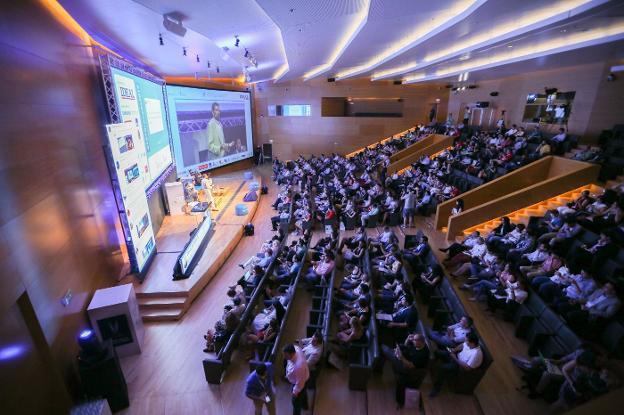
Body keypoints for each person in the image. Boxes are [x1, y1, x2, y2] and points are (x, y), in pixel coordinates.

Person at [382, 333, 430, 409]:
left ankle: (400, 402)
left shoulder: (423, 354)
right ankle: (391, 352)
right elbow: (407, 348)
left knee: (390, 354)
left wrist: (401, 358)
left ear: (421, 342)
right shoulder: (416, 345)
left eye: (414, 340)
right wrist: (407, 340)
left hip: (414, 371)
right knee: (395, 352)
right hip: (407, 362)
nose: (413, 341)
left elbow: (411, 365)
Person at [430, 332, 483, 397]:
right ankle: (431, 366)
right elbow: (462, 345)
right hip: (455, 357)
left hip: (460, 367)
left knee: (443, 368)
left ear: (472, 343)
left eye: (466, 340)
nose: (465, 341)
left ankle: (436, 389)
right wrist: (454, 350)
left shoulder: (476, 354)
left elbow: (467, 368)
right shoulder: (469, 343)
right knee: (437, 352)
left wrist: (455, 358)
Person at [283, 343, 310, 415]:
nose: (284, 357)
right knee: (303, 393)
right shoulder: (296, 349)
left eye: (286, 355)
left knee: (295, 403)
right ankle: (305, 406)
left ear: (292, 354)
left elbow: (300, 383)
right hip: (301, 378)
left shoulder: (299, 366)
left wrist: (295, 393)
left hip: (299, 382)